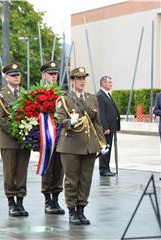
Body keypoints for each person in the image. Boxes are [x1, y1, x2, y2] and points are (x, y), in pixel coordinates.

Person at [56, 67, 108, 225]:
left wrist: (103, 143)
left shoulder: (91, 98)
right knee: (72, 180)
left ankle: (81, 209)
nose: (82, 81)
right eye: (78, 78)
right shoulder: (64, 99)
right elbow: (61, 119)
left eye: (83, 78)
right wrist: (68, 122)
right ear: (72, 81)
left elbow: (97, 123)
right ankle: (72, 210)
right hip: (70, 145)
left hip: (89, 146)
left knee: (86, 180)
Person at [0, 62, 31, 217]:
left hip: (25, 140)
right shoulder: (0, 95)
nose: (16, 78)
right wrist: (17, 131)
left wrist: (28, 131)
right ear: (6, 77)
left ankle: (20, 202)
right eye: (13, 75)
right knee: (10, 172)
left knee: (22, 172)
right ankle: (11, 203)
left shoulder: (25, 94)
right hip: (9, 140)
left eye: (18, 75)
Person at [39, 61, 65, 215]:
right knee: (48, 169)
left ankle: (56, 199)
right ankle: (48, 200)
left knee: (59, 169)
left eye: (55, 74)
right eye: (50, 73)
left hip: (61, 137)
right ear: (44, 75)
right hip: (46, 137)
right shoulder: (38, 93)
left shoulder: (62, 94)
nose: (53, 76)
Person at [96, 76, 120, 176]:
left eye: (111, 82)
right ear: (103, 83)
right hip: (106, 129)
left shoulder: (107, 94)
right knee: (105, 148)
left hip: (111, 127)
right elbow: (101, 113)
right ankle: (103, 169)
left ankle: (107, 168)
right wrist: (105, 127)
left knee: (108, 148)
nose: (111, 84)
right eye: (109, 82)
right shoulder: (100, 95)